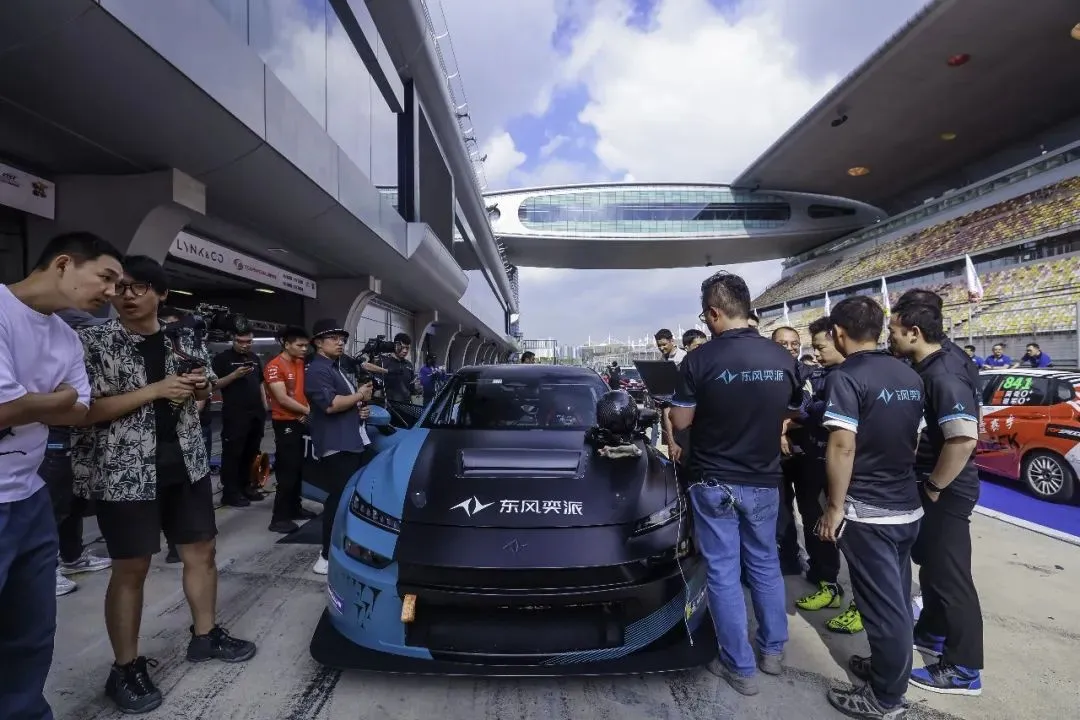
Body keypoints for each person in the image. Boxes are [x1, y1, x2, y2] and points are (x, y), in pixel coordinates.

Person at [72, 256, 256, 714]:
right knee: (131, 569)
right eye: (120, 287)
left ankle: (205, 635)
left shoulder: (184, 339)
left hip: (186, 464)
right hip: (125, 471)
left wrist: (199, 389)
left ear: (162, 294)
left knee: (202, 552)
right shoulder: (92, 341)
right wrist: (154, 391)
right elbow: (82, 411)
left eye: (139, 287)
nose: (127, 295)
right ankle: (125, 668)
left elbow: (204, 393)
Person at [0, 232, 122, 720]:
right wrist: (53, 399)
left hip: (30, 497)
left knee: (30, 632)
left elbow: (80, 408)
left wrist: (36, 402)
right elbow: (5, 409)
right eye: (105, 277)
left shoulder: (66, 337)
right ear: (64, 263)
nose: (111, 292)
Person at [669, 271, 805, 697]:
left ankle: (739, 667)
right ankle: (773, 652)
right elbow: (794, 409)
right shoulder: (783, 357)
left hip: (713, 479)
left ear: (713, 313)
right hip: (764, 478)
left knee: (724, 572)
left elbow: (681, 420)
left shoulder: (699, 360)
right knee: (765, 564)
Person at [816, 295, 925, 719]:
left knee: (883, 610)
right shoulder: (908, 373)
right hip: (905, 506)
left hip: (869, 512)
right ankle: (886, 669)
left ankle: (885, 698)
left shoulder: (846, 377)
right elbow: (913, 440)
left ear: (838, 334)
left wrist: (835, 508)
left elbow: (842, 446)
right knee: (895, 598)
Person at [888, 297, 984, 696]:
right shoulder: (928, 367)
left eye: (894, 331)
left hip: (947, 487)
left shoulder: (944, 373)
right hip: (935, 483)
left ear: (914, 332)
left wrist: (934, 487)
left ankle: (964, 668)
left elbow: (962, 439)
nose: (889, 337)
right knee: (933, 569)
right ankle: (932, 631)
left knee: (950, 576)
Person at [790, 317, 862, 635]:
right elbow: (804, 410)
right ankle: (828, 585)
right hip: (812, 462)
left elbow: (815, 414)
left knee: (851, 538)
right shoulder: (818, 375)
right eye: (814, 348)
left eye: (821, 347)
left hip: (845, 472)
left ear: (840, 338)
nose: (817, 354)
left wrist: (811, 410)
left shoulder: (853, 378)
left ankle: (863, 604)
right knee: (815, 526)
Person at [44, 308, 115, 597]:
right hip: (55, 436)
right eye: (85, 330)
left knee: (72, 501)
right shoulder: (49, 360)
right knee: (52, 504)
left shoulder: (79, 360)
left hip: (78, 439)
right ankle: (45, 571)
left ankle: (72, 556)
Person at [305, 319, 375, 575]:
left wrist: (359, 410)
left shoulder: (336, 368)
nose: (340, 342)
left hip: (350, 441)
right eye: (333, 338)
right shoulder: (317, 370)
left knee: (348, 499)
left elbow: (345, 404)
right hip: (337, 444)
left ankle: (342, 546)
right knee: (338, 500)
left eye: (342, 339)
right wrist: (359, 396)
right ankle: (325, 555)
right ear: (318, 343)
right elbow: (331, 405)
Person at [264, 326, 315, 534]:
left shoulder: (300, 362)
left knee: (298, 469)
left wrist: (305, 411)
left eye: (306, 345)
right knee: (287, 471)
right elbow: (282, 398)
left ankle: (294, 507)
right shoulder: (274, 366)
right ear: (286, 344)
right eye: (300, 345)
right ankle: (279, 518)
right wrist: (307, 412)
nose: (304, 349)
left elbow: (302, 392)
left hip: (300, 420)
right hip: (285, 423)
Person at [212, 330, 268, 507]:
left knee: (251, 452)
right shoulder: (222, 359)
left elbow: (260, 382)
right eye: (240, 341)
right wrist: (234, 375)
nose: (244, 345)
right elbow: (212, 385)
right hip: (235, 414)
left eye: (248, 341)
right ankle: (230, 492)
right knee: (233, 453)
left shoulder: (254, 358)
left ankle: (246, 486)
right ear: (233, 340)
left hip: (256, 413)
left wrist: (264, 405)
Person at [771, 326, 808, 576]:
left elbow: (813, 411)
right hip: (774, 456)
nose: (790, 348)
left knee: (811, 510)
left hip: (805, 452)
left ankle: (821, 569)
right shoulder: (764, 375)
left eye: (794, 343)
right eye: (783, 343)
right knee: (781, 509)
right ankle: (789, 559)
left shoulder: (808, 372)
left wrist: (785, 426)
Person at [376, 333, 417, 403]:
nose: (405, 351)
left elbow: (412, 390)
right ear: (395, 346)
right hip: (388, 406)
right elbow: (377, 390)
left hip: (406, 406)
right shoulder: (383, 363)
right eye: (403, 347)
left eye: (407, 348)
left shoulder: (409, 365)